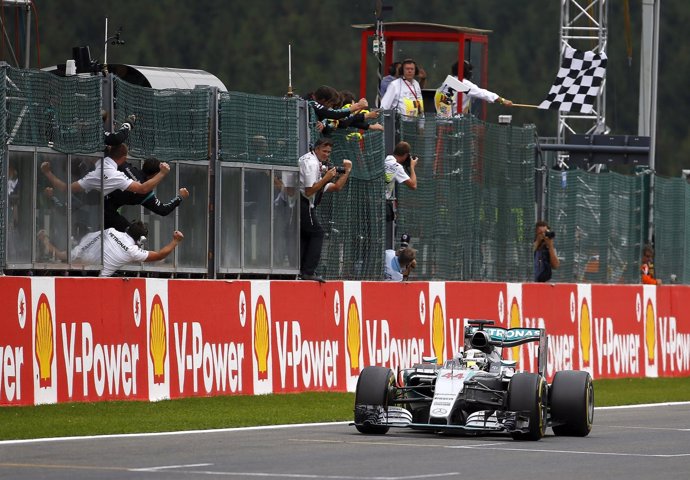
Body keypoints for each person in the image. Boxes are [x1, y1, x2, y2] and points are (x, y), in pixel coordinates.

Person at [37, 220, 184, 277]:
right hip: (98, 282)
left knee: (67, 256)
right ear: (140, 240)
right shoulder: (132, 251)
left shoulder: (111, 231)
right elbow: (159, 255)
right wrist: (175, 241)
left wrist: (81, 252)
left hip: (82, 268)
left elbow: (92, 238)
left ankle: (46, 243)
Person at [298, 137, 352, 282]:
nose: (326, 154)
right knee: (317, 233)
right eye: (324, 151)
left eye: (329, 152)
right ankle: (308, 271)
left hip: (305, 203)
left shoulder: (316, 163)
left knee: (306, 235)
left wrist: (347, 172)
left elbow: (336, 187)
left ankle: (300, 270)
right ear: (316, 149)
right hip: (302, 202)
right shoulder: (311, 163)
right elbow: (309, 191)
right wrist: (326, 177)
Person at [40, 143, 170, 197]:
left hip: (88, 195)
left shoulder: (103, 162)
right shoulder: (115, 175)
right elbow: (143, 189)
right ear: (124, 158)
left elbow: (65, 188)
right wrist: (162, 173)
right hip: (91, 204)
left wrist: (47, 173)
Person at [104, 157, 189, 232]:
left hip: (96, 197)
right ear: (156, 175)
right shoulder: (144, 193)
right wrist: (180, 197)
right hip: (105, 210)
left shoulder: (125, 166)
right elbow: (163, 210)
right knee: (133, 233)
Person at [434, 60, 513, 118]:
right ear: (467, 72)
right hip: (451, 120)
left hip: (440, 117)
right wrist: (502, 100)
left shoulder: (448, 82)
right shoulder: (463, 83)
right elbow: (483, 93)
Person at [384, 141, 418, 248]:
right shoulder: (396, 166)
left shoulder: (385, 159)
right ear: (405, 155)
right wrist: (412, 167)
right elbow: (413, 185)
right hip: (383, 203)